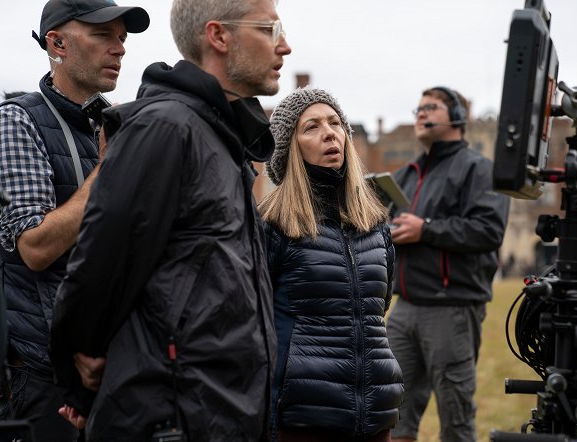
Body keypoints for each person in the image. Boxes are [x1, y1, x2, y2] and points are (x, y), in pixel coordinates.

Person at [49, 0, 292, 440]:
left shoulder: (223, 139)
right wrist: (80, 372)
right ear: (218, 36)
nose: (285, 47)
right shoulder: (166, 128)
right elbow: (101, 262)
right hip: (172, 416)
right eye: (270, 30)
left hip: (223, 411)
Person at [0, 1, 149, 440]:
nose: (119, 48)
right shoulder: (16, 122)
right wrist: (109, 169)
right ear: (57, 44)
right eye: (103, 35)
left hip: (118, 369)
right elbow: (36, 247)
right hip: (47, 380)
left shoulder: (119, 124)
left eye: (122, 38)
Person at [259, 87, 404, 442]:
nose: (329, 132)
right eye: (311, 127)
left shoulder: (376, 227)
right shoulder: (273, 226)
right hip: (304, 416)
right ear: (288, 150)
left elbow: (377, 309)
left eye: (335, 122)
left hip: (374, 413)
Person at [386, 86, 510, 442]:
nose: (421, 114)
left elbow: (488, 230)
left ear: (458, 116)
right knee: (390, 413)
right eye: (418, 108)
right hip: (404, 307)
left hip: (452, 307)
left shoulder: (479, 168)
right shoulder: (406, 174)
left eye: (432, 107)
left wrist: (425, 229)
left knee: (455, 419)